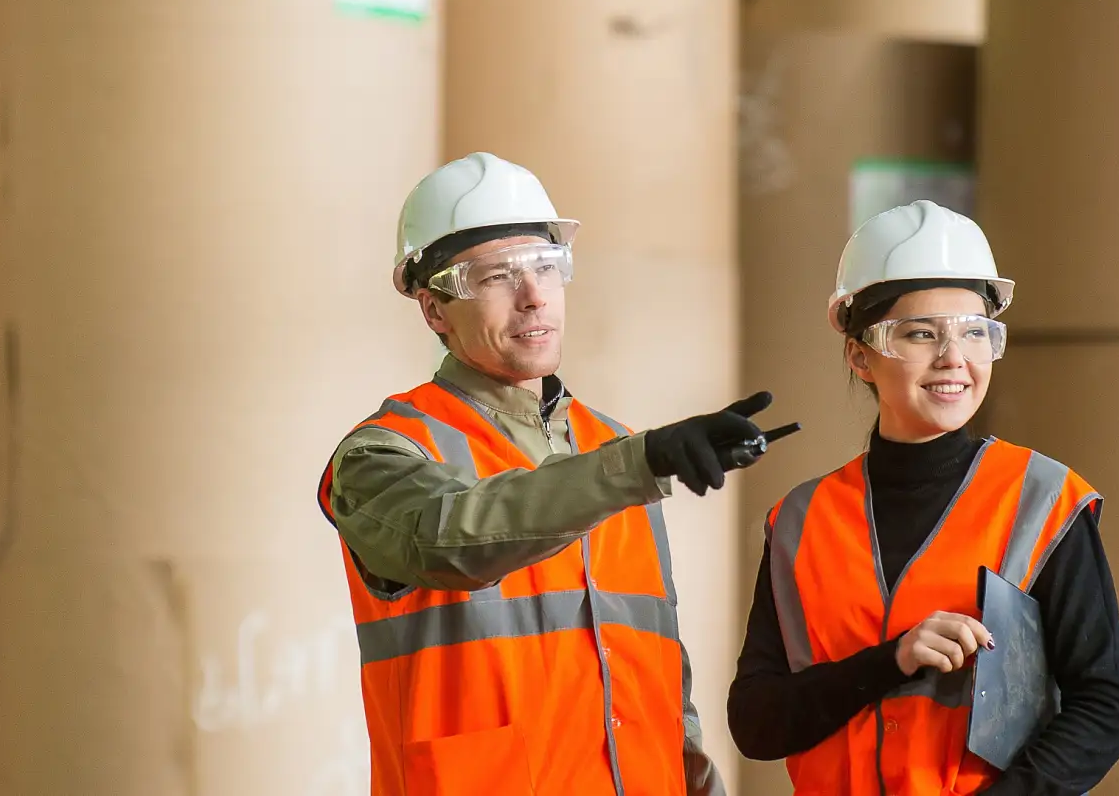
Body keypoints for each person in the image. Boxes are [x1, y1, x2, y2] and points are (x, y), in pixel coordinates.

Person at [319, 151, 795, 796]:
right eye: (496, 276)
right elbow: (450, 540)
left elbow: (654, 672)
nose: (534, 296)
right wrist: (642, 463)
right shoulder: (383, 455)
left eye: (547, 266)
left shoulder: (616, 447)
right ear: (434, 310)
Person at [726, 200, 1119, 796]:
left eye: (975, 333)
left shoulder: (1044, 501)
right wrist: (889, 661)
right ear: (859, 355)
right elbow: (757, 725)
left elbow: (1105, 708)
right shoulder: (800, 520)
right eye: (920, 334)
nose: (954, 359)